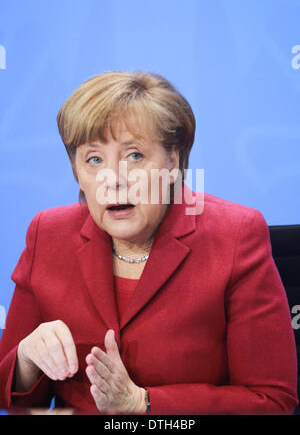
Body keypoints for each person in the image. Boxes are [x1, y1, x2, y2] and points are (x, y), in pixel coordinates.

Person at [0, 71, 298, 415]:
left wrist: (143, 404)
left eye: (135, 156)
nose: (113, 180)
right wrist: (26, 360)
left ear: (172, 161)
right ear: (76, 170)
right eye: (94, 159)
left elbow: (272, 401)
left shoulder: (234, 236)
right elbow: (12, 394)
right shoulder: (48, 234)